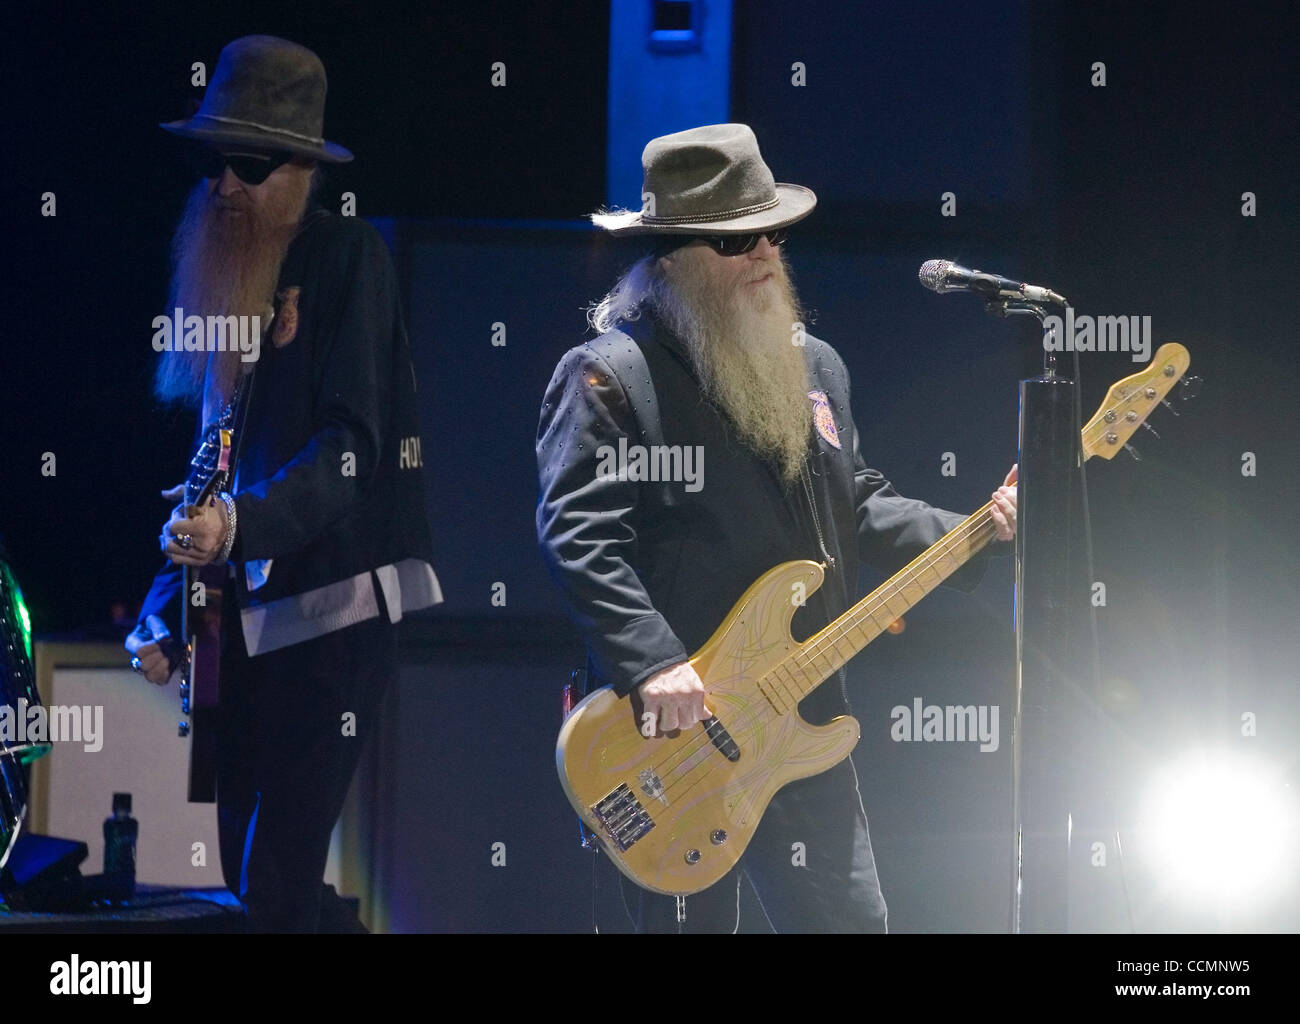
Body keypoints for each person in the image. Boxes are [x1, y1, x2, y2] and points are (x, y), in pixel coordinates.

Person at [535, 123, 1016, 932]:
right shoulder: (609, 375)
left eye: (770, 232)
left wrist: (979, 527)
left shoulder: (814, 365)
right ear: (674, 257)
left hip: (797, 713)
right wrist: (653, 664)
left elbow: (852, 502)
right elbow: (578, 535)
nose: (763, 252)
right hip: (671, 737)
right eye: (735, 241)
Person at [123, 35, 441, 932]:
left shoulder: (347, 262)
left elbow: (352, 447)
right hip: (244, 619)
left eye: (250, 162)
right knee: (251, 878)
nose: (225, 183)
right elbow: (214, 465)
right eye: (216, 159)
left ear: (300, 167)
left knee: (273, 878)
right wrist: (167, 603)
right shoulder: (232, 278)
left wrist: (239, 528)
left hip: (334, 609)